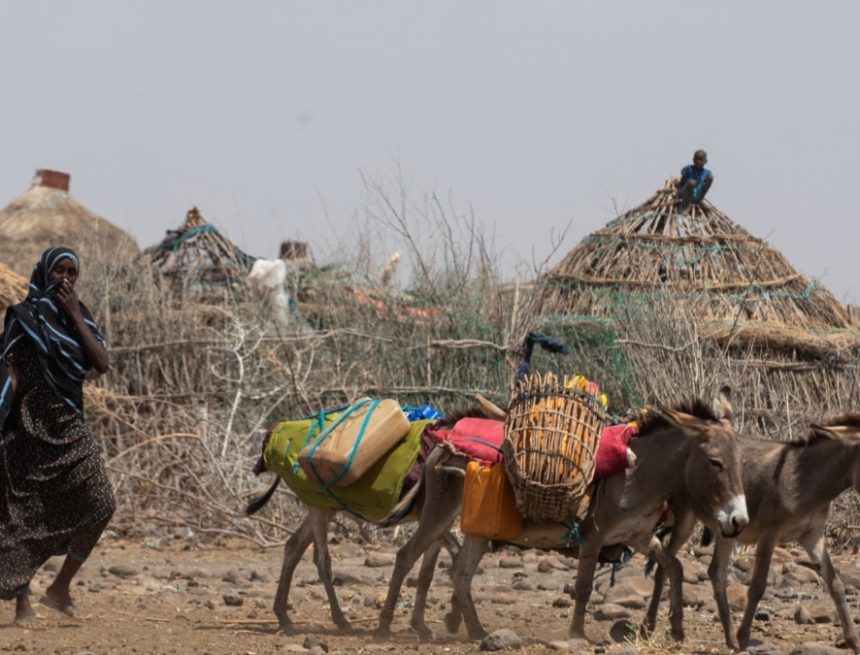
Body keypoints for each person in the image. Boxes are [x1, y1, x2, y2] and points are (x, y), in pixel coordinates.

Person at [0, 247, 114, 625]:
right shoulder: (22, 317)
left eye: (71, 273)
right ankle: (22, 602)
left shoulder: (80, 317)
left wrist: (73, 314)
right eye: (58, 271)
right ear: (43, 272)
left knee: (102, 503)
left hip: (69, 424)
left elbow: (101, 363)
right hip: (29, 425)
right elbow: (11, 373)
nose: (64, 278)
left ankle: (60, 587)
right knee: (24, 516)